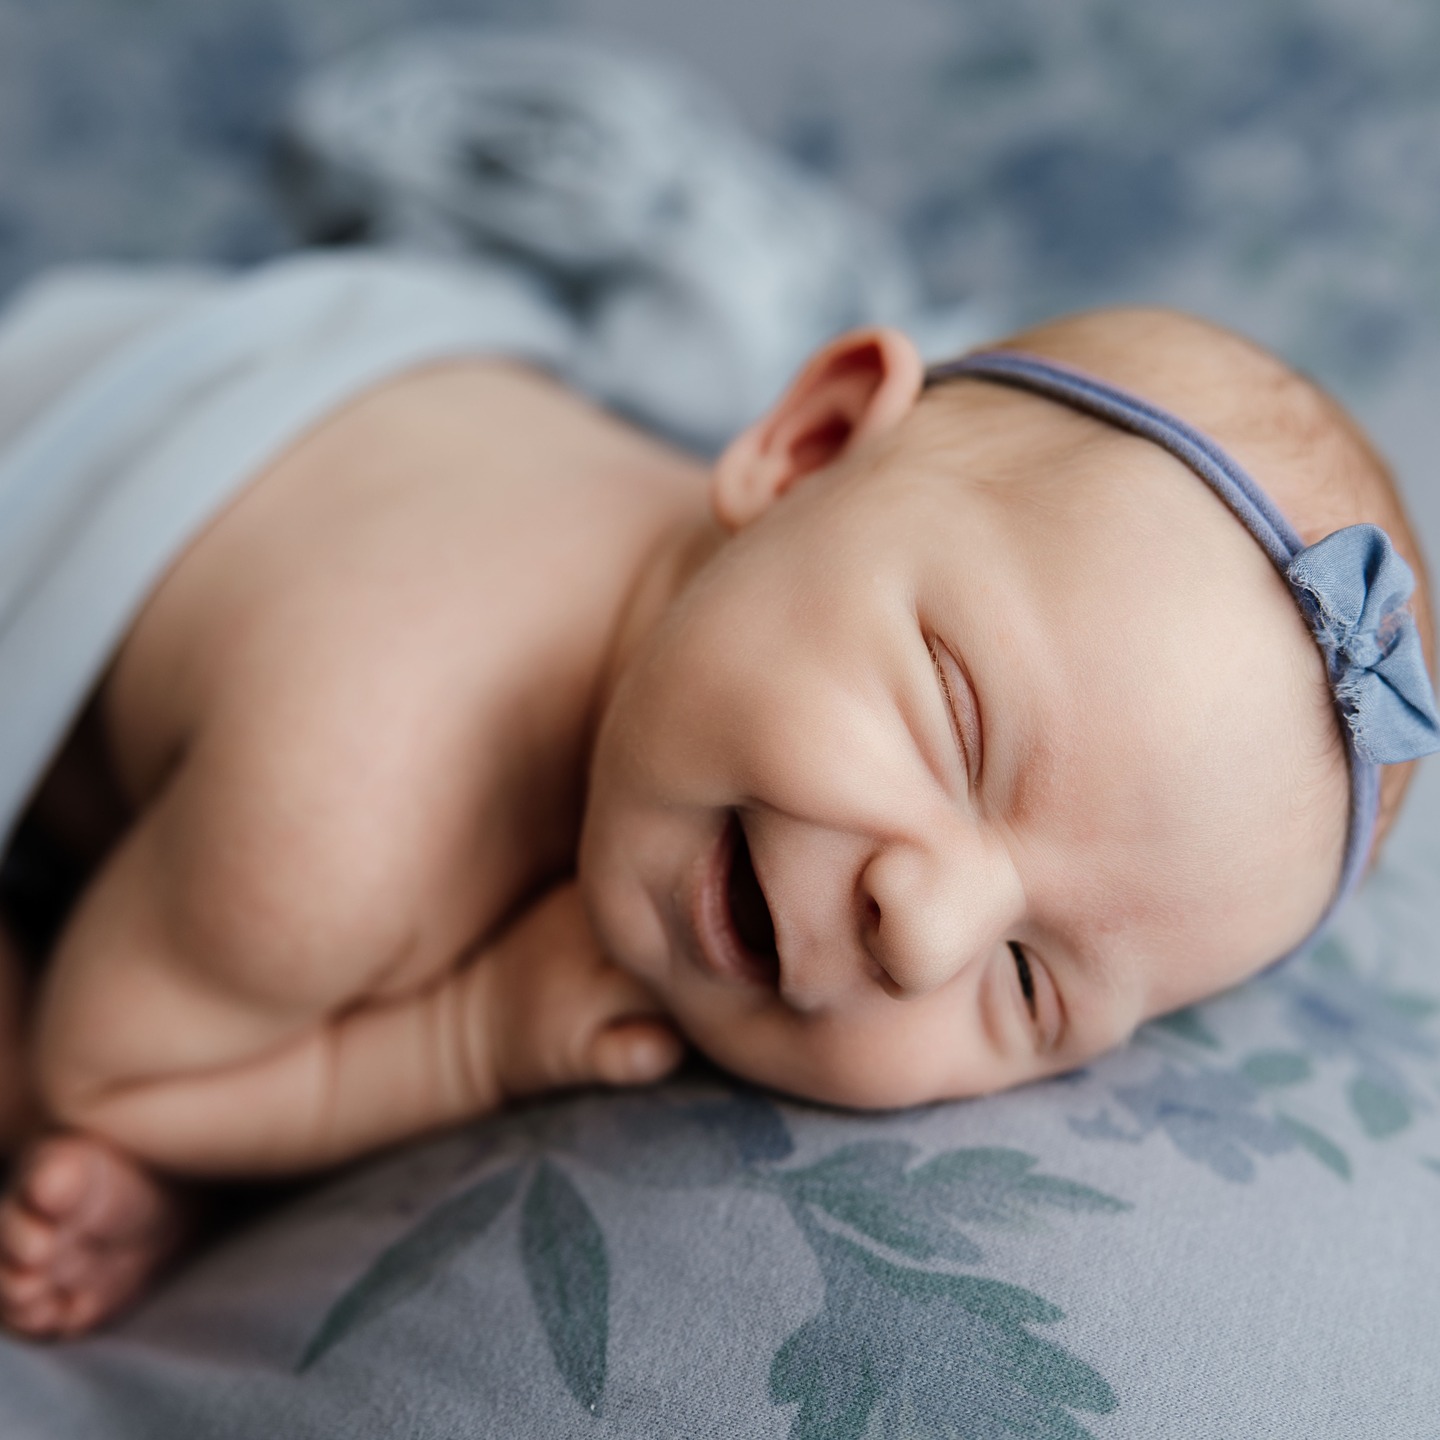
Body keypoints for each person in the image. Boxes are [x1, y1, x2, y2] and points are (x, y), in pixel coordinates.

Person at [0, 261, 1432, 1338]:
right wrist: (469, 1036)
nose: (922, 932)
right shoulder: (347, 814)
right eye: (954, 720)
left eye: (1029, 984)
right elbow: (93, 1073)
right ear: (805, 446)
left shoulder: (759, 593)